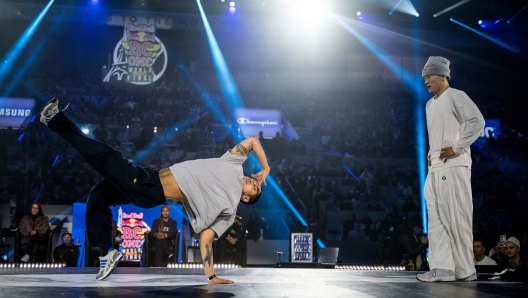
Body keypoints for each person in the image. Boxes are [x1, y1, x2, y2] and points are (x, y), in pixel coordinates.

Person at [39, 98, 269, 284]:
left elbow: (206, 239)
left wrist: (211, 276)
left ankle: (54, 119)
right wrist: (266, 169)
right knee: (97, 196)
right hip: (150, 175)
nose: (255, 181)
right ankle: (108, 252)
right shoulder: (233, 163)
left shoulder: (229, 210)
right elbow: (252, 141)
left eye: (256, 187)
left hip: (150, 189)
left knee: (104, 157)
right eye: (257, 181)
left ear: (246, 197)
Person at [416, 56, 485, 282]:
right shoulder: (429, 104)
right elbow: (438, 134)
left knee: (456, 217)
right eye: (424, 75)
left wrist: (456, 147)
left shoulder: (456, 95)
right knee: (436, 220)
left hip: (453, 165)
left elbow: (477, 121)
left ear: (444, 76)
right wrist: (431, 152)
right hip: (435, 166)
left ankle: (465, 270)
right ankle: (442, 268)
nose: (425, 79)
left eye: (430, 75)